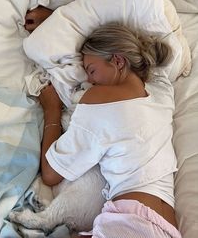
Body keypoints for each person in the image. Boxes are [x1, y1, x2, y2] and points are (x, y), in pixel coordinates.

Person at [38, 24, 182, 238]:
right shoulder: (162, 91)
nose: (89, 80)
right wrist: (52, 21)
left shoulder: (99, 99)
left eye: (91, 69)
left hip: (131, 222)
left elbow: (50, 173)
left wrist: (52, 109)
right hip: (165, 225)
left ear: (117, 61)